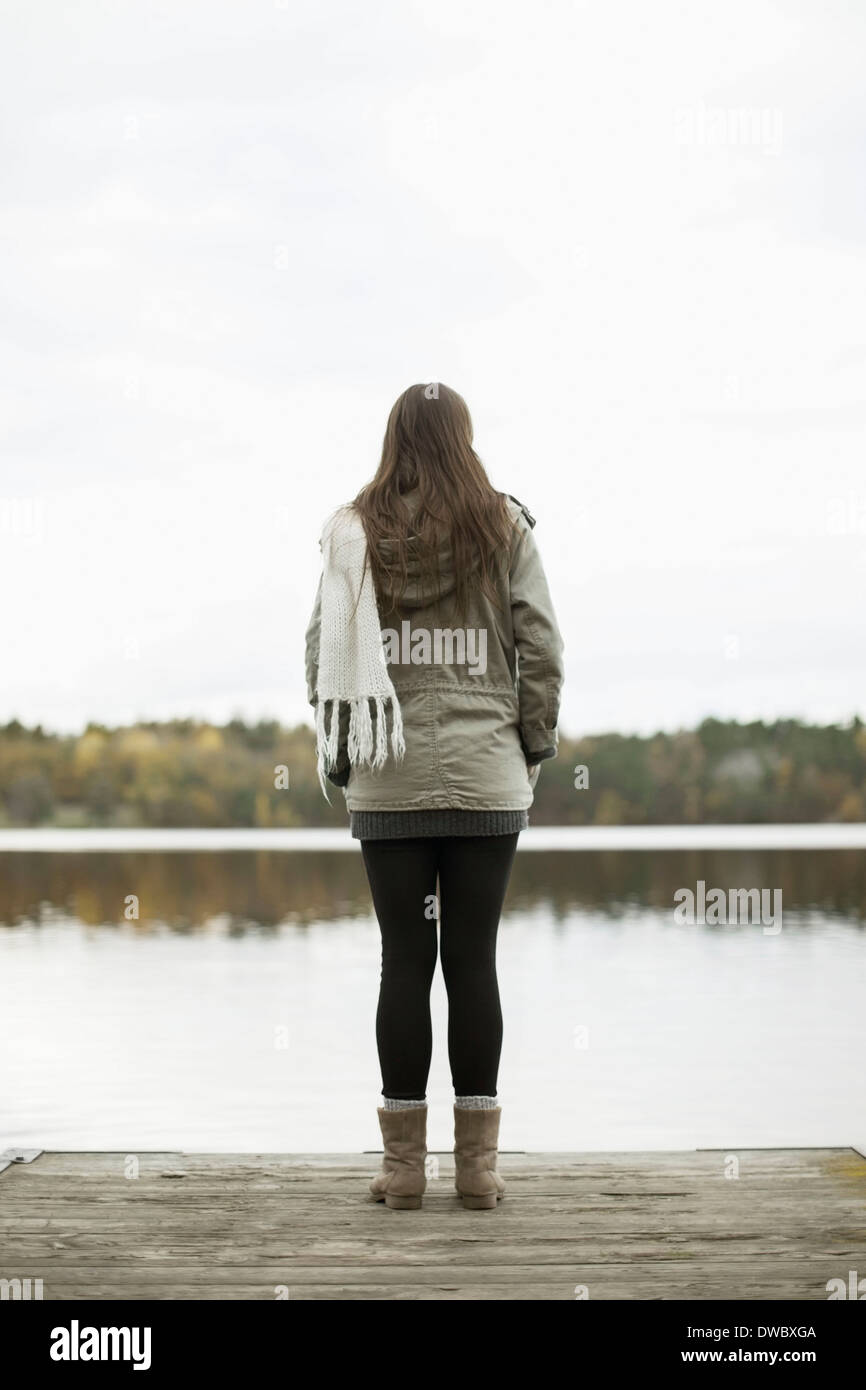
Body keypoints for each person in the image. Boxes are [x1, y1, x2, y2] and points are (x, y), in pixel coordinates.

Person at [304, 382, 564, 1210]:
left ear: (395, 439)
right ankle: (479, 1174)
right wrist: (532, 743)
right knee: (473, 962)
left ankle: (405, 1172)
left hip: (389, 781)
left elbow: (321, 656)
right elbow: (542, 645)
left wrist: (344, 750)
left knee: (403, 966)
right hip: (487, 777)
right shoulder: (504, 524)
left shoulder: (353, 535)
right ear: (464, 436)